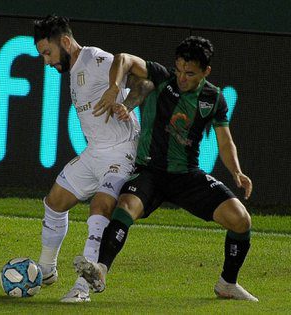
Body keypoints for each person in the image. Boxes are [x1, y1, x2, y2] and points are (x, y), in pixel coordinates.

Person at [74, 36, 259, 302]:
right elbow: (123, 57)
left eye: (190, 73)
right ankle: (101, 270)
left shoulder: (214, 98)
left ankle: (227, 284)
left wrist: (237, 172)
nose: (182, 77)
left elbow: (225, 140)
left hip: (186, 175)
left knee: (241, 220)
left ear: (206, 72)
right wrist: (114, 87)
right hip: (150, 171)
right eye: (179, 70)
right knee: (125, 207)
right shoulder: (160, 77)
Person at [33, 15, 153, 303]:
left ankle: (82, 288)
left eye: (47, 53)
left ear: (64, 41)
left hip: (122, 150)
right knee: (54, 201)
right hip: (95, 150)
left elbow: (145, 81)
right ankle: (47, 269)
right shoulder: (74, 69)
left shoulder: (96, 60)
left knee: (100, 207)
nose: (46, 62)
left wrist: (125, 103)